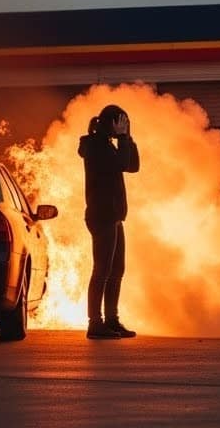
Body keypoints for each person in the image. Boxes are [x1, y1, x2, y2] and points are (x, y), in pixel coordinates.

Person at [78, 104, 140, 340]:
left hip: (114, 215)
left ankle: (112, 319)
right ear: (112, 123)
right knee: (102, 270)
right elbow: (120, 164)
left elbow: (133, 166)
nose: (124, 126)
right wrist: (123, 138)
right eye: (122, 122)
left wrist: (128, 138)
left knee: (117, 270)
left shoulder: (109, 146)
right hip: (101, 214)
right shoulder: (95, 146)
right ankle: (95, 323)